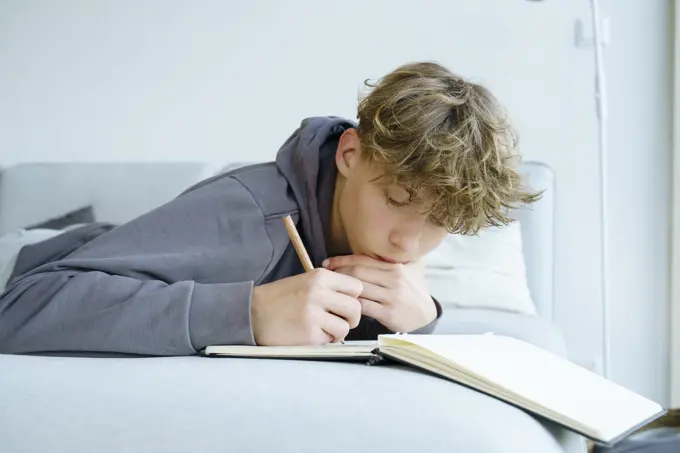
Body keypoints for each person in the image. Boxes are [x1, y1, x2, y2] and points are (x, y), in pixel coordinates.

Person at [0, 61, 540, 356]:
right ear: (350, 153)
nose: (408, 242)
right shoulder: (250, 215)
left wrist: (420, 320)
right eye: (397, 201)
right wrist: (249, 314)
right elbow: (21, 306)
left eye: (439, 224)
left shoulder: (384, 238)